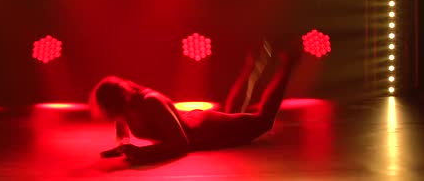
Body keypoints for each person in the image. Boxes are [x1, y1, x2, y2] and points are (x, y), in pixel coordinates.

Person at [88, 41, 300, 164]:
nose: (114, 118)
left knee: (263, 122)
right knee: (232, 112)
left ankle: (288, 63)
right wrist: (123, 145)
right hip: (197, 124)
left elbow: (181, 144)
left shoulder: (150, 102)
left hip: (206, 130)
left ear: (118, 103)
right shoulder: (125, 107)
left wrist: (143, 154)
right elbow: (121, 125)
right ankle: (251, 66)